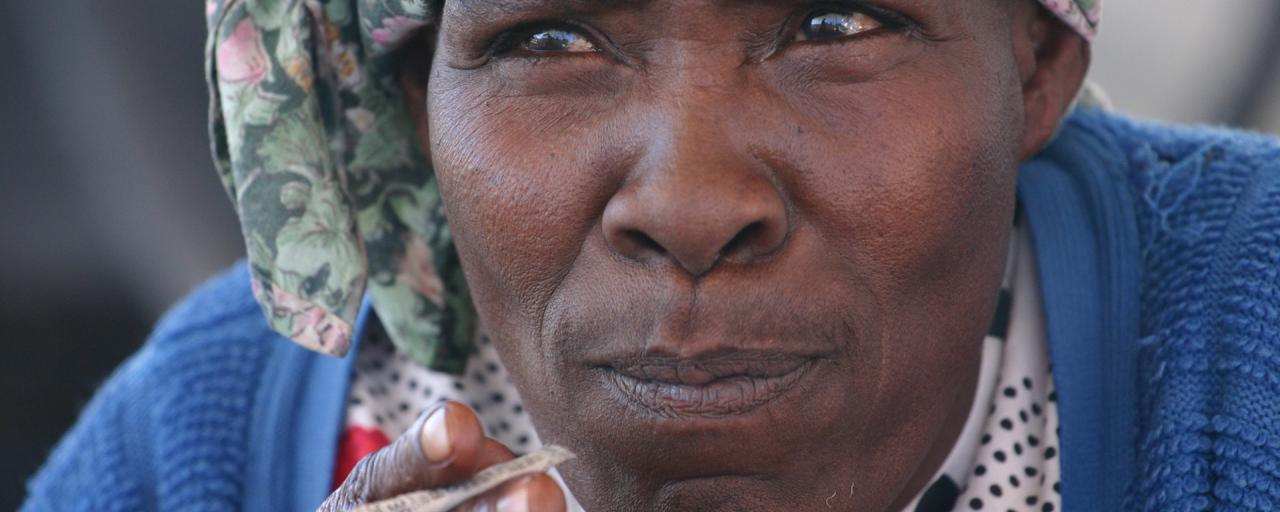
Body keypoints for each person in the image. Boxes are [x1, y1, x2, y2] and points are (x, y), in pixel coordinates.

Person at [21, 0, 1280, 510]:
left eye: (832, 22)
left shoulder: (1243, 325)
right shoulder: (211, 444)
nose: (687, 200)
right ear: (410, 104)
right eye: (553, 38)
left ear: (1034, 64)